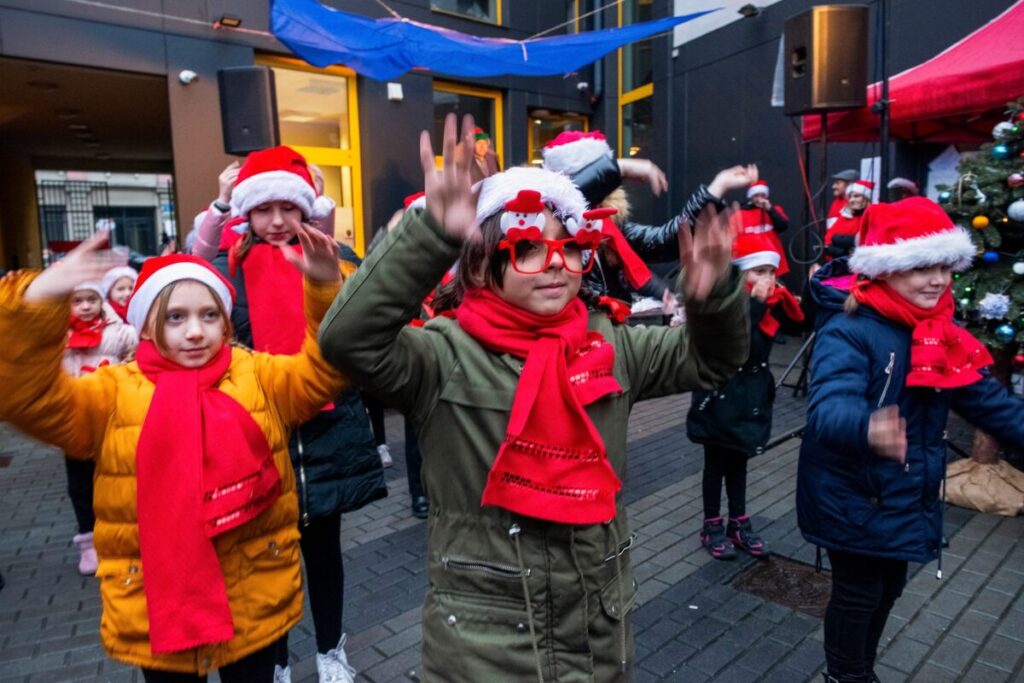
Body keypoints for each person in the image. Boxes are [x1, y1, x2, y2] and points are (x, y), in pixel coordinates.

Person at [317, 114, 749, 682]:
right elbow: (346, 340)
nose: (555, 265)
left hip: (595, 635)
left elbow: (711, 360)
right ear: (482, 262)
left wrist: (713, 297)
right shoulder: (443, 355)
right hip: (482, 650)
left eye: (570, 249)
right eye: (527, 249)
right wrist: (431, 234)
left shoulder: (612, 345)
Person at [0, 231, 346, 681]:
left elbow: (326, 371)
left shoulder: (258, 375)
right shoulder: (111, 394)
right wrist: (36, 302)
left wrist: (323, 290)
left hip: (253, 597)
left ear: (225, 322)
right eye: (176, 318)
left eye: (208, 315)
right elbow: (25, 398)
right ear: (145, 326)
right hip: (158, 610)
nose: (196, 331)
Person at [798, 197, 1024, 683]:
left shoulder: (938, 332)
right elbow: (828, 407)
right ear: (885, 269)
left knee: (889, 587)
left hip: (904, 492)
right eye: (922, 266)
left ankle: (861, 669)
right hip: (854, 494)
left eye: (944, 266)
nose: (937, 279)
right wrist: (866, 425)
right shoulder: (850, 329)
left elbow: (989, 402)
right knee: (859, 594)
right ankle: (846, 675)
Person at [201, 146, 385, 683]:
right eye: (264, 209)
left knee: (324, 553)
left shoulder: (338, 258)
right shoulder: (222, 271)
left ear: (307, 208)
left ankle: (331, 651)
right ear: (247, 213)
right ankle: (275, 661)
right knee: (265, 558)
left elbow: (362, 329)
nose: (277, 221)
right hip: (257, 437)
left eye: (289, 207)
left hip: (326, 433)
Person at [687, 233, 804, 560]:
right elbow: (736, 341)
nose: (767, 279)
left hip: (749, 396)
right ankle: (711, 523)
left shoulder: (768, 306)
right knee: (716, 464)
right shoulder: (726, 301)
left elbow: (797, 327)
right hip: (720, 395)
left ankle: (737, 520)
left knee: (739, 459)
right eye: (759, 272)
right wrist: (756, 303)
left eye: (771, 272)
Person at [541, 130, 757, 303]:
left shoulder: (612, 227)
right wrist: (619, 168)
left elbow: (666, 240)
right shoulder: (547, 227)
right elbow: (566, 199)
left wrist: (717, 187)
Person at [62, 279, 138, 575]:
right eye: (77, 300)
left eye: (90, 299)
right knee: (80, 485)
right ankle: (89, 542)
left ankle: (122, 536)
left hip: (113, 417)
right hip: (76, 422)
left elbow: (137, 357)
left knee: (117, 478)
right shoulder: (58, 336)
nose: (85, 306)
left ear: (101, 300)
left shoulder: (119, 332)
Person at [738, 179, 790, 276]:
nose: (760, 199)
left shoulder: (774, 210)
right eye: (756, 196)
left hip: (772, 259)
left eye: (762, 195)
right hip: (752, 261)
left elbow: (783, 226)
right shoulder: (740, 214)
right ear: (751, 197)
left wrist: (770, 210)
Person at [824, 179, 874, 260]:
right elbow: (828, 240)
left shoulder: (872, 217)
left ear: (867, 198)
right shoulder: (844, 217)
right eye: (850, 197)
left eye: (856, 196)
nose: (851, 200)